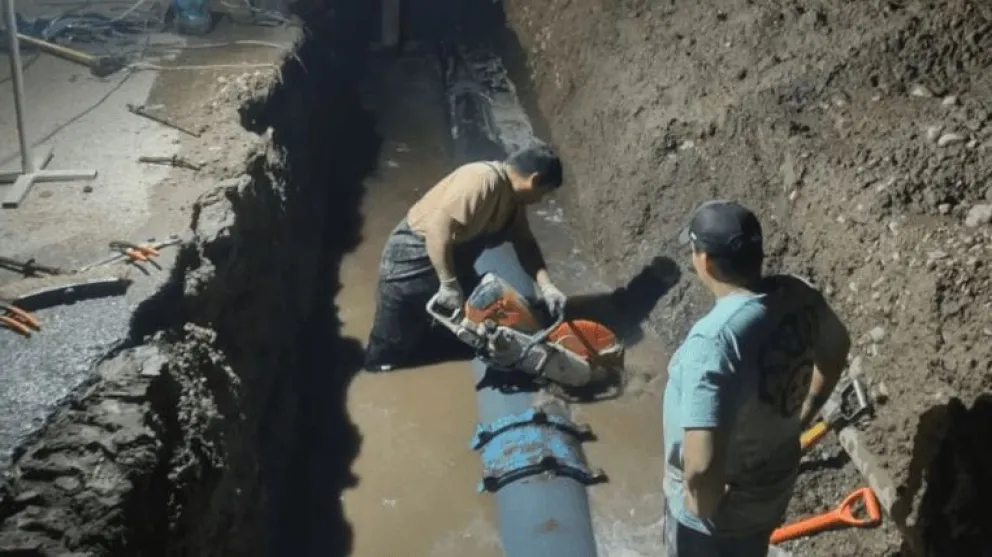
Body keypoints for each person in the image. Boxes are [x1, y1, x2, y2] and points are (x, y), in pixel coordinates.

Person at [662, 200, 852, 557]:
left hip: (712, 526)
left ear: (704, 261)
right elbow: (837, 348)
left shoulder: (714, 341)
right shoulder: (798, 295)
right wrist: (805, 414)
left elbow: (701, 468)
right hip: (770, 491)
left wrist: (698, 514)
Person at [363, 141, 569, 372]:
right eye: (543, 193)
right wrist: (449, 285)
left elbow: (525, 244)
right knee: (388, 354)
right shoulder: (480, 181)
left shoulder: (513, 201)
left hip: (453, 264)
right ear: (534, 180)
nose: (540, 200)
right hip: (410, 264)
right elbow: (437, 231)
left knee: (477, 339)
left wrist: (547, 286)